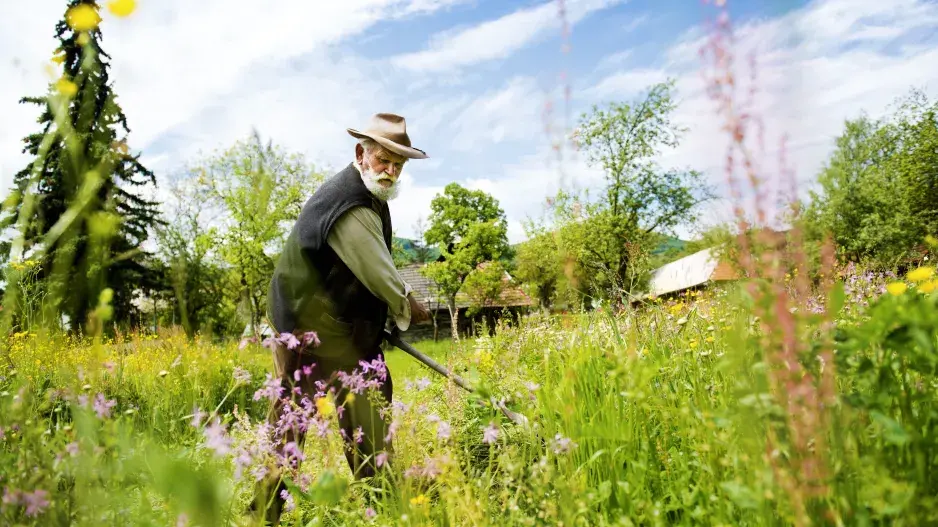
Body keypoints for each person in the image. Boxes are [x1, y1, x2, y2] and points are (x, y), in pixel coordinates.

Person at [254, 113, 431, 524]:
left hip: (345, 331)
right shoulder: (349, 203)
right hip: (305, 330)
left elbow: (363, 271)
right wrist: (408, 302)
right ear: (361, 154)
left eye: (398, 165)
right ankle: (265, 514)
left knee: (370, 412)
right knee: (291, 425)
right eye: (384, 160)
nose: (390, 171)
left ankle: (380, 502)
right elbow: (379, 272)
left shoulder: (372, 195)